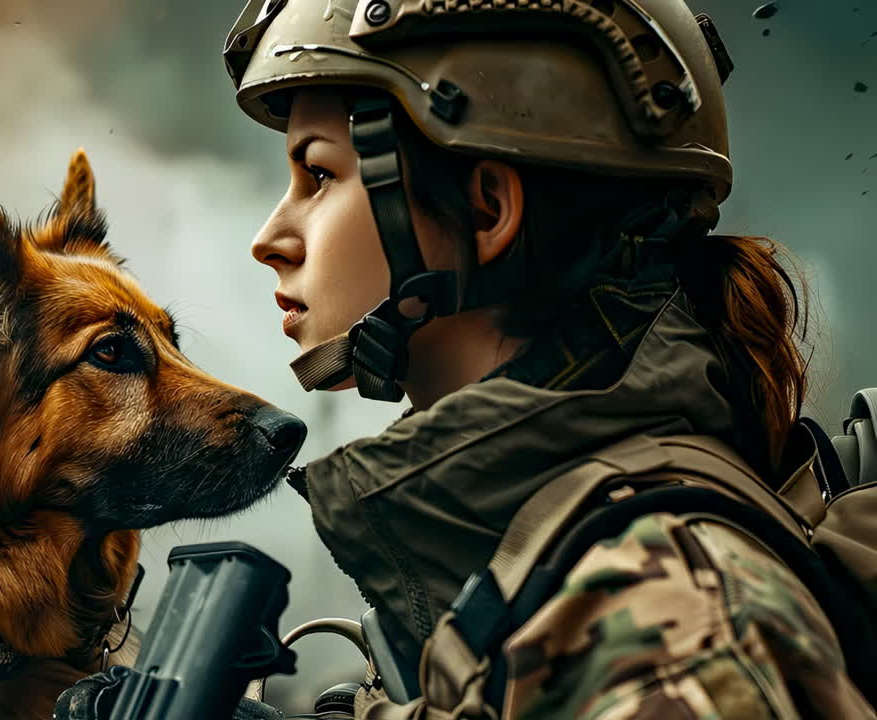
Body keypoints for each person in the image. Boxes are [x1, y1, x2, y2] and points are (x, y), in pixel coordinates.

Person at [218, 0, 877, 718]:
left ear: (487, 211)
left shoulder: (663, 621)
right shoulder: (546, 557)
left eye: (319, 175)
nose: (268, 238)